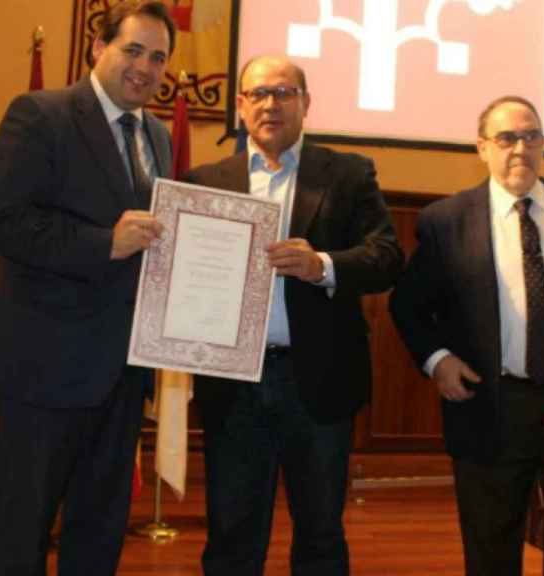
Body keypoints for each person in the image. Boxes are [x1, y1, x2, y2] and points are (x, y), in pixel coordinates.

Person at [389, 95, 544, 576]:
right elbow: (407, 304)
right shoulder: (448, 220)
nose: (520, 148)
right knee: (491, 547)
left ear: (543, 144)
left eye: (531, 136)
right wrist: (438, 359)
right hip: (493, 403)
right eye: (506, 138)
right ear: (482, 148)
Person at [185, 55, 403, 576]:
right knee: (231, 536)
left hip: (319, 383)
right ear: (240, 106)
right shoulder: (205, 179)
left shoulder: (348, 174)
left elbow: (387, 257)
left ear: (306, 103)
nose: (270, 104)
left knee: (321, 535)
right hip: (233, 384)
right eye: (257, 94)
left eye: (284, 92)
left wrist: (321, 265)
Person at [0, 2, 175, 574]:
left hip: (122, 373)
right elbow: (0, 220)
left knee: (100, 529)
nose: (145, 66)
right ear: (98, 47)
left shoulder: (158, 137)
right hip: (45, 367)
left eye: (157, 57)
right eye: (132, 49)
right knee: (24, 530)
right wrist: (100, 243)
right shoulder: (41, 115)